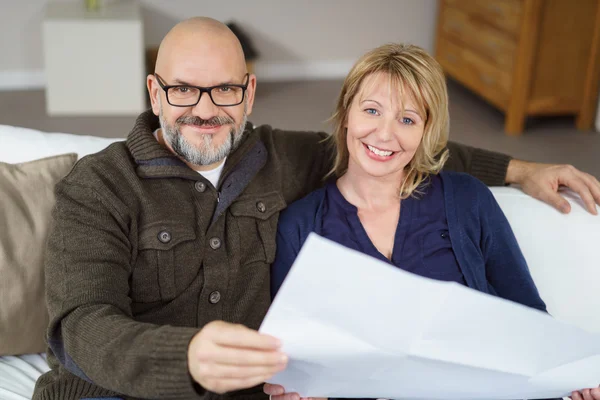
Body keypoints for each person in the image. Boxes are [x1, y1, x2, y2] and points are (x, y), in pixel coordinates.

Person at [33, 17, 600, 400]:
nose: (204, 110)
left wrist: (521, 171)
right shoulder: (98, 186)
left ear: (249, 93)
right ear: (155, 94)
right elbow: (82, 328)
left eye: (224, 90)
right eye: (184, 90)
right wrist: (185, 358)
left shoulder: (280, 157)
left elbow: (394, 145)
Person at [265, 43, 599, 400]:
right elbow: (297, 361)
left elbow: (530, 318)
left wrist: (573, 374)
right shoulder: (300, 226)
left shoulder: (467, 199)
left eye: (407, 119)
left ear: (427, 130)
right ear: (347, 112)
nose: (384, 134)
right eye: (371, 110)